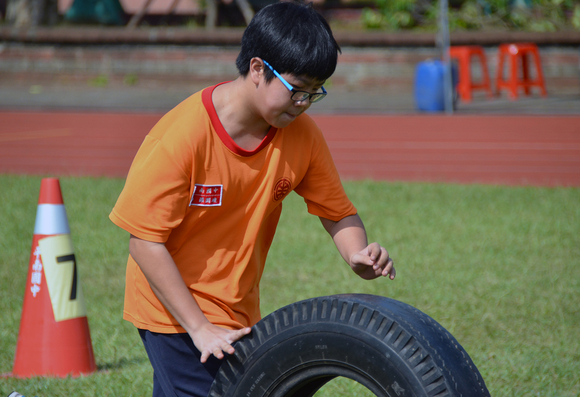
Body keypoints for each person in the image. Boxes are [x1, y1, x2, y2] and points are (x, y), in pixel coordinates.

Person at [109, 2, 395, 396]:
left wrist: (356, 254)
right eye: (297, 90)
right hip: (173, 312)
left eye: (315, 93)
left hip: (238, 309)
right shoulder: (181, 137)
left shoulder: (302, 136)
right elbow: (144, 241)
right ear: (259, 69)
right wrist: (199, 327)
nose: (303, 103)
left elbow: (338, 212)